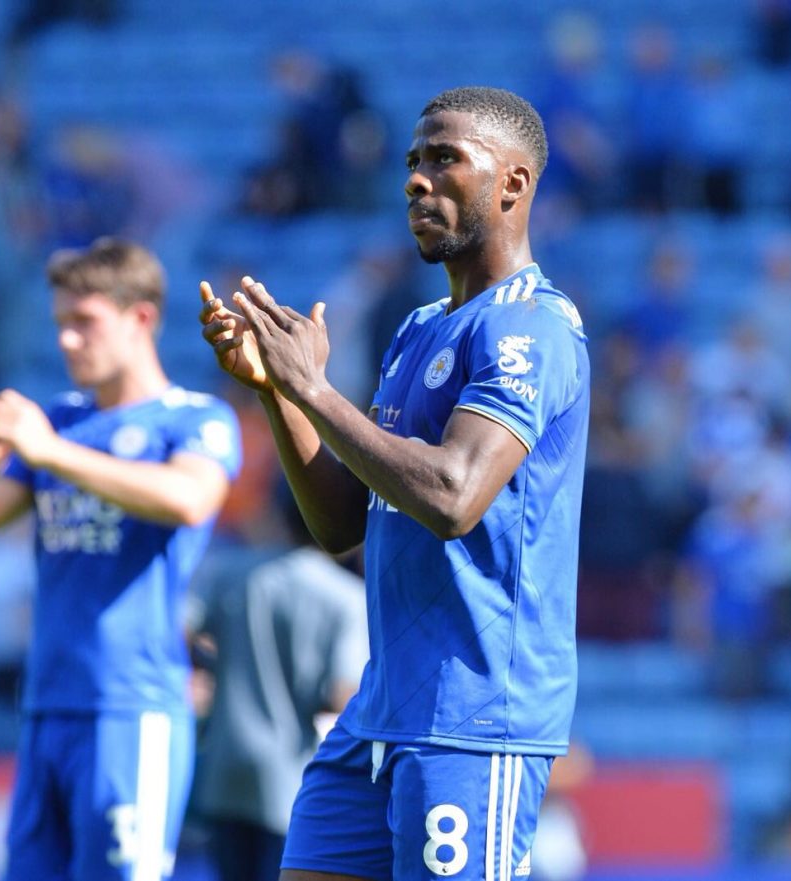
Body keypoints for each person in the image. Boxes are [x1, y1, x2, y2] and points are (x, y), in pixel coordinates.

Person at [199, 85, 590, 881]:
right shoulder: (418, 330)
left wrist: (314, 388)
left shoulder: (534, 326)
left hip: (473, 716)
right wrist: (278, 394)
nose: (416, 179)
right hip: (378, 710)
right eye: (413, 161)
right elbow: (342, 523)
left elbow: (452, 497)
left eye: (445, 159)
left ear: (513, 183)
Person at [0, 237, 241, 881]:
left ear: (140, 318)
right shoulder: (61, 421)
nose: (67, 340)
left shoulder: (193, 420)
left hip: (131, 705)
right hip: (47, 702)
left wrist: (49, 453)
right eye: (60, 323)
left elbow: (188, 499)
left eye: (85, 321)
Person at [190, 483, 369, 881]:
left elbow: (184, 630)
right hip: (291, 777)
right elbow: (342, 694)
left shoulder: (233, 573)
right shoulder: (345, 597)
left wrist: (211, 671)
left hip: (225, 770)